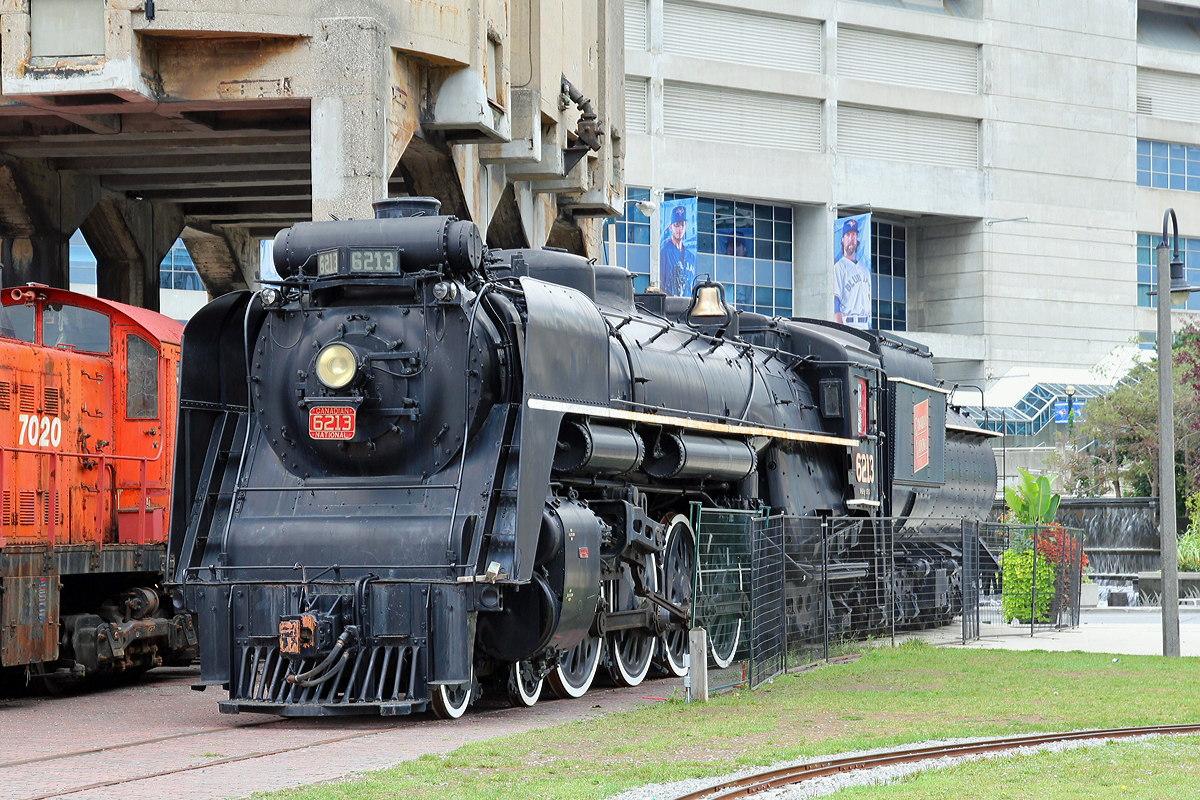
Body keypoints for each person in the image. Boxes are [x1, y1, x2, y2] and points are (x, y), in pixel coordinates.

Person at [834, 218, 871, 329]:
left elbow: (869, 298)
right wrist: (841, 329)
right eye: (848, 235)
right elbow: (835, 301)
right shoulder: (839, 267)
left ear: (857, 238)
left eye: (854, 235)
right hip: (849, 323)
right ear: (842, 240)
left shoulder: (865, 269)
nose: (851, 239)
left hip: (865, 324)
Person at [659, 204, 696, 297]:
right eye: (676, 225)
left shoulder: (691, 258)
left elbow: (693, 288)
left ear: (686, 225)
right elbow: (657, 285)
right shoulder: (664, 252)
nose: (680, 229)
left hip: (687, 308)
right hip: (669, 308)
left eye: (682, 224)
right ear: (671, 227)